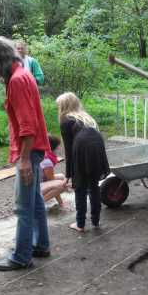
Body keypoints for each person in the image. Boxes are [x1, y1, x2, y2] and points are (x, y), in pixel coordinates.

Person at [0, 36, 51, 271]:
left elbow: (27, 125)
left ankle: (21, 256)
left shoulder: (18, 80)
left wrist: (25, 159)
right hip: (34, 148)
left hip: (30, 150)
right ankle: (41, 244)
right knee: (35, 199)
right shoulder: (19, 75)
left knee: (23, 207)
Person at [56, 92, 109, 232]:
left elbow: (69, 150)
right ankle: (96, 222)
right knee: (93, 185)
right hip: (97, 146)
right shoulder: (86, 117)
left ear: (64, 106)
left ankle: (80, 224)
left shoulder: (66, 120)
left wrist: (69, 174)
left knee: (80, 187)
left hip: (82, 147)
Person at [40, 134, 67, 207]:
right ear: (54, 147)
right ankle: (38, 205)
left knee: (61, 177)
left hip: (37, 183)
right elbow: (52, 181)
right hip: (33, 189)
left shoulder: (44, 154)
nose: (60, 147)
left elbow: (49, 179)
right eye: (58, 145)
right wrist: (61, 203)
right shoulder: (47, 161)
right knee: (62, 185)